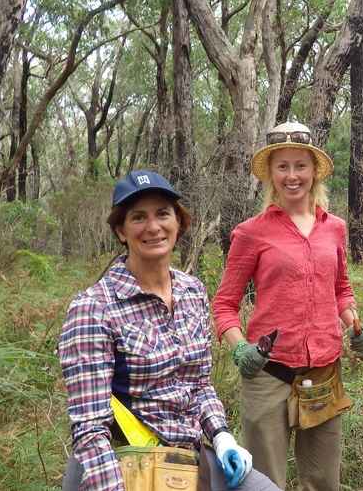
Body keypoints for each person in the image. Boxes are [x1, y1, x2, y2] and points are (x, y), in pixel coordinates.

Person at [58, 170, 279, 491]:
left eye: (163, 213)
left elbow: (199, 384)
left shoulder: (192, 292)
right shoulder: (94, 307)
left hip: (183, 457)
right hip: (120, 460)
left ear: (178, 222)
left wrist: (221, 436)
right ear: (121, 230)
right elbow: (91, 430)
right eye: (138, 217)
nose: (153, 227)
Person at [211, 121, 363, 491]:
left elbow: (341, 289)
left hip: (324, 374)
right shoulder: (251, 232)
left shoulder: (334, 228)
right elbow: (224, 305)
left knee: (322, 482)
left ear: (314, 170)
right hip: (269, 374)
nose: (292, 175)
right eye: (282, 166)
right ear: (270, 173)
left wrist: (354, 323)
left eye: (300, 165)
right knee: (263, 482)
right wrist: (240, 348)